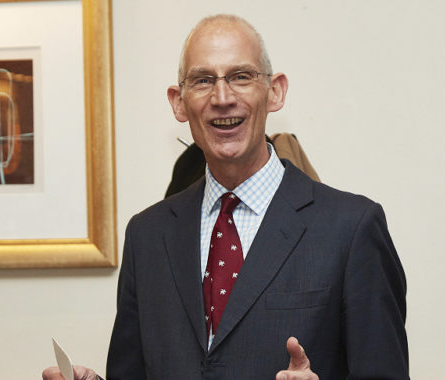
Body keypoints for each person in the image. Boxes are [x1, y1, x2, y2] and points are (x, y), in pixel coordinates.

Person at [43, 14, 408, 380]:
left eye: (241, 77)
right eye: (203, 81)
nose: (222, 98)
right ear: (178, 102)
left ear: (275, 91)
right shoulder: (147, 235)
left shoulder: (352, 228)